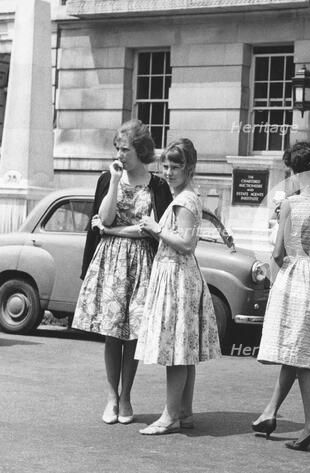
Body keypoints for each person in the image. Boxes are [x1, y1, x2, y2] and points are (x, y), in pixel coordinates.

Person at [73, 119, 173, 425]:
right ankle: (111, 398)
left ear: (141, 150)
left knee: (132, 335)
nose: (120, 154)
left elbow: (154, 231)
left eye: (125, 149)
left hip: (142, 264)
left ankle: (127, 395)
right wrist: (115, 182)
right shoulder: (108, 179)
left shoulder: (157, 185)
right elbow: (102, 218)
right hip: (110, 264)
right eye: (117, 148)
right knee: (111, 334)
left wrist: (114, 230)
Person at [252, 141, 310, 451]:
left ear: (297, 173)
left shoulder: (291, 204)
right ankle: (269, 414)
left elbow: (278, 252)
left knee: (299, 354)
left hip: (297, 274)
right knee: (298, 348)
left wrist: (275, 284)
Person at [135, 138, 221, 435]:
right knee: (183, 350)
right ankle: (183, 412)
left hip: (178, 277)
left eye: (176, 166)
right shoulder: (186, 197)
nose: (169, 172)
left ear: (190, 168)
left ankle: (170, 415)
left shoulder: (185, 200)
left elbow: (186, 243)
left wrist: (156, 228)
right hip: (178, 276)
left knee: (175, 351)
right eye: (166, 166)